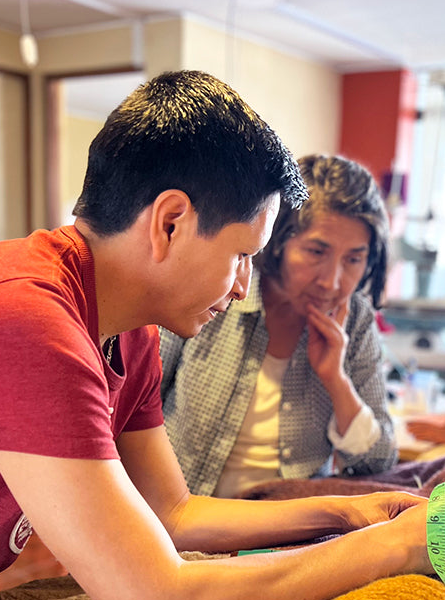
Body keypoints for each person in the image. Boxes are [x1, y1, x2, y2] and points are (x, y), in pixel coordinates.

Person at [0, 70, 445, 600]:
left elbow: (173, 512)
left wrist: (348, 510)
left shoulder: (129, 331)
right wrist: (396, 546)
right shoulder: (22, 320)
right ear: (170, 222)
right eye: (241, 255)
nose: (242, 286)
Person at [160, 154, 396, 498]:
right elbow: (131, 409)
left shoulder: (356, 321)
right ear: (278, 240)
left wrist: (336, 379)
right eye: (317, 252)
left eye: (354, 259)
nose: (332, 282)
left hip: (293, 530)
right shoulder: (218, 289)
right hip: (187, 519)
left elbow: (379, 463)